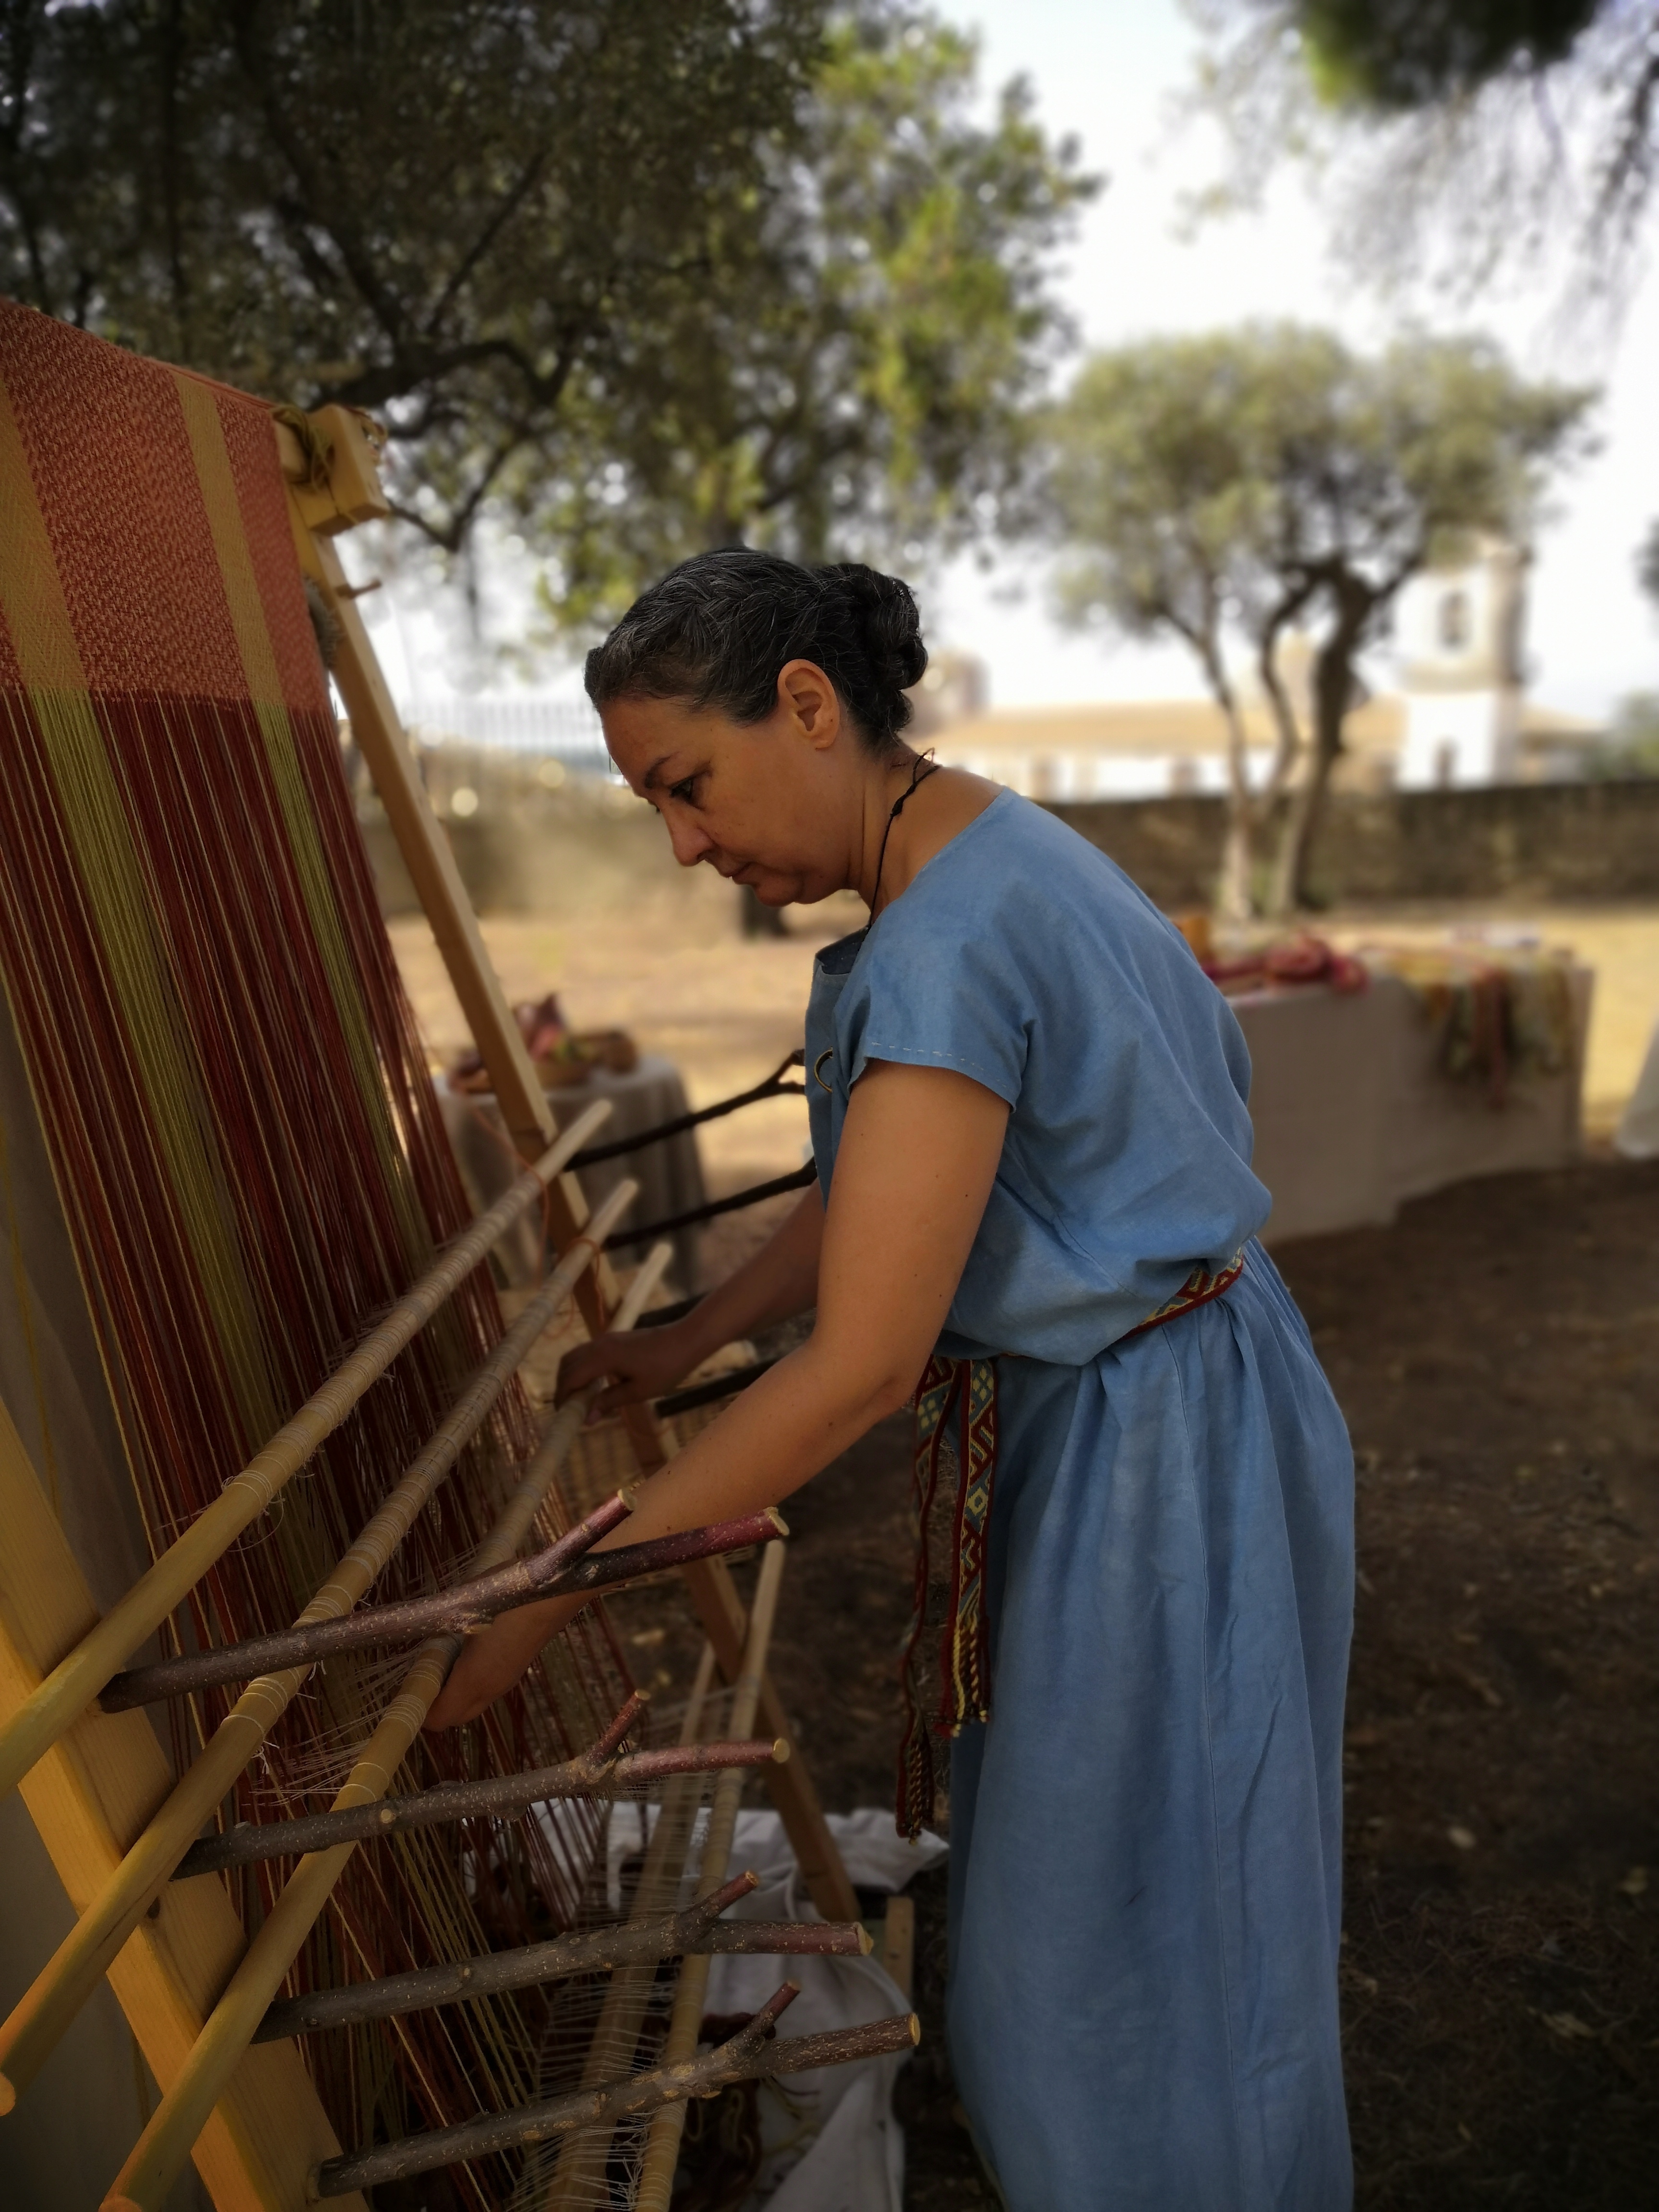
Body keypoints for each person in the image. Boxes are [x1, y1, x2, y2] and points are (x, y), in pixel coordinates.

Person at [428, 549, 1355, 2210]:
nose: (686, 844)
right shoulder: (986, 855)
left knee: (1138, 1942)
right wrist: (689, 1340)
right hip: (1177, 1400)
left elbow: (863, 1364)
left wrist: (545, 1600)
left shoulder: (949, 944)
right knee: (1143, 1897)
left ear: (807, 704)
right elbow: (888, 1190)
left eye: (686, 786)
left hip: (1159, 1456)